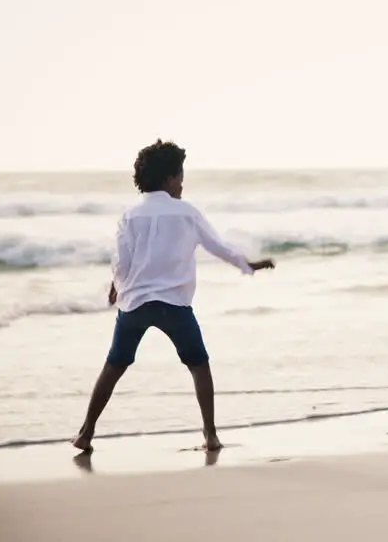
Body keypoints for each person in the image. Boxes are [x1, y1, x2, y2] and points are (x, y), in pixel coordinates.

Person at [71, 140, 275, 453]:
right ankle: (210, 435)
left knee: (114, 366)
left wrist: (117, 286)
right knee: (199, 365)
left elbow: (120, 261)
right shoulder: (186, 213)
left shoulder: (130, 215)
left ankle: (85, 433)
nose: (182, 182)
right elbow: (217, 246)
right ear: (169, 178)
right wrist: (248, 265)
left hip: (135, 305)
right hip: (174, 307)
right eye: (180, 175)